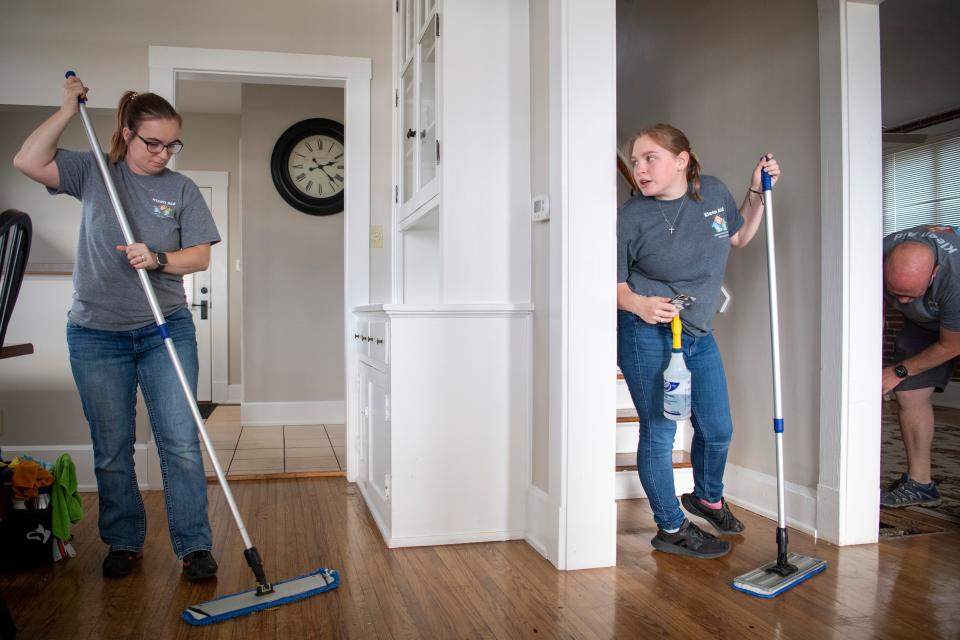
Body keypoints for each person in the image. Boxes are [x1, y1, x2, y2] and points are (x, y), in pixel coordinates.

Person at [13, 75, 221, 580]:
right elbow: (28, 160)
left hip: (163, 328)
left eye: (172, 144)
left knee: (180, 443)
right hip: (95, 334)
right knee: (111, 448)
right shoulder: (93, 173)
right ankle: (124, 541)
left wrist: (157, 257)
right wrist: (66, 107)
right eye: (153, 142)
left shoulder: (181, 189)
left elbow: (199, 257)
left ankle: (194, 546)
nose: (164, 153)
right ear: (127, 135)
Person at [617, 123, 780, 559]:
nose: (640, 169)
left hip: (697, 332)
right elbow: (609, 282)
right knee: (660, 429)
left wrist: (756, 192)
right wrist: (639, 306)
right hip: (646, 332)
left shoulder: (712, 192)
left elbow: (740, 236)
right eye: (634, 162)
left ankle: (707, 498)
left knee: (718, 426)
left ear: (682, 161)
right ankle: (670, 526)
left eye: (650, 158)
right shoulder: (631, 216)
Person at [881, 225, 960, 508]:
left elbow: (952, 344)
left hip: (955, 324)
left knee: (903, 377)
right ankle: (920, 484)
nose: (902, 301)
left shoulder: (955, 277)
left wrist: (898, 370)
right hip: (924, 323)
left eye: (910, 295)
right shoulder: (874, 255)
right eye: (895, 292)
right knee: (910, 393)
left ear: (934, 273)